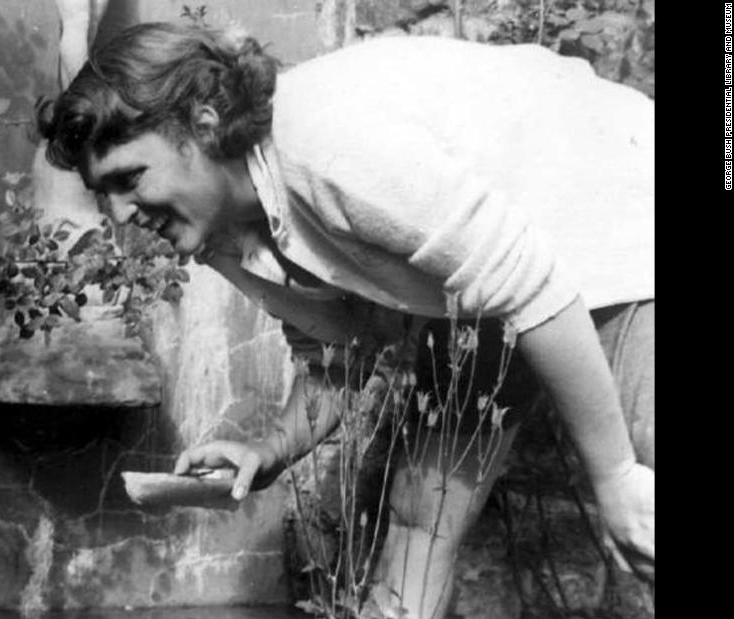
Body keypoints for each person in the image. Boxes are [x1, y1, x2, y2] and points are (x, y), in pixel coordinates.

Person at [35, 22, 653, 619]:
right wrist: (270, 449)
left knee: (643, 494)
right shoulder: (223, 231)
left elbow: (528, 276)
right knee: (423, 511)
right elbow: (337, 350)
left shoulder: (324, 144)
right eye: (101, 194)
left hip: (611, 204)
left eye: (128, 179)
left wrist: (617, 474)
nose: (117, 214)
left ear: (203, 126)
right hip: (497, 269)